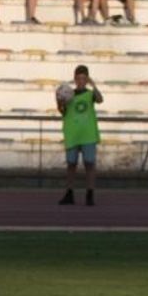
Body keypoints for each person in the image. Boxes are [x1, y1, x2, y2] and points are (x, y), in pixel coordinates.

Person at [57, 64, 102, 205]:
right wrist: (59, 103)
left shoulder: (90, 94)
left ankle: (90, 194)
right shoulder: (68, 94)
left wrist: (93, 84)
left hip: (88, 135)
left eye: (84, 78)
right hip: (73, 134)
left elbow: (100, 99)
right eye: (78, 78)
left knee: (89, 164)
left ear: (87, 79)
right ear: (75, 79)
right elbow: (64, 112)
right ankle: (69, 193)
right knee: (71, 164)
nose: (81, 81)